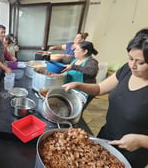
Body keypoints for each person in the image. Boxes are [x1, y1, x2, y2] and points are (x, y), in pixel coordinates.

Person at [63, 28, 148, 167]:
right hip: (105, 138)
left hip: (132, 152)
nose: (132, 65)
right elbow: (99, 89)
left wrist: (141, 140)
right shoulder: (126, 70)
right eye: (130, 58)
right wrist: (78, 85)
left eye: (140, 62)